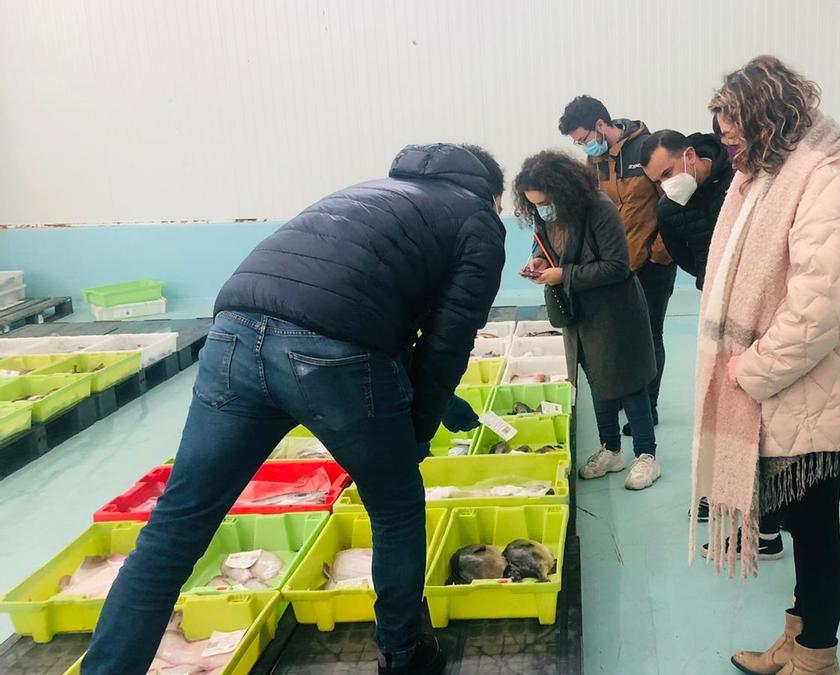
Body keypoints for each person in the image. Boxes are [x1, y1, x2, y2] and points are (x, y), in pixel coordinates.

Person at [81, 144, 509, 675]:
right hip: (332, 358)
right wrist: (415, 433)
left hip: (232, 335)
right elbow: (447, 341)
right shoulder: (479, 221)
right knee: (395, 507)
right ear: (493, 195)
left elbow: (368, 303)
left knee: (175, 528)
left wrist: (442, 404)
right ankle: (404, 655)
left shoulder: (368, 193)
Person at [690, 55, 840, 675]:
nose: (727, 144)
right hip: (787, 388)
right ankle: (795, 641)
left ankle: (816, 656)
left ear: (770, 119)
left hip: (811, 386)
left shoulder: (826, 179)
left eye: (735, 131)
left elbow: (821, 306)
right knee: (804, 529)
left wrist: (751, 370)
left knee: (818, 531)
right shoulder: (764, 178)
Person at [514, 151, 662, 490]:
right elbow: (547, 247)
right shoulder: (545, 214)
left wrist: (562, 274)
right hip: (577, 309)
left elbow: (617, 266)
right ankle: (611, 449)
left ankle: (647, 456)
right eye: (535, 204)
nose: (542, 209)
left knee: (628, 380)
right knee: (595, 376)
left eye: (546, 202)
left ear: (563, 190)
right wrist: (538, 262)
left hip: (614, 309)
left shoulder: (599, 209)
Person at [558, 96, 674, 435]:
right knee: (617, 335)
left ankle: (647, 405)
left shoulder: (645, 148)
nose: (582, 147)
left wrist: (659, 253)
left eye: (582, 139)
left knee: (650, 335)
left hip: (652, 263)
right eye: (576, 143)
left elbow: (671, 201)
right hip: (614, 266)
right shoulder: (594, 164)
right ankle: (628, 395)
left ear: (599, 125)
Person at [639, 128, 735, 290]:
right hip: (713, 290)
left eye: (668, 173)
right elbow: (682, 257)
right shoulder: (668, 210)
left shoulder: (739, 176)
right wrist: (704, 273)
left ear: (690, 156)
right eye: (658, 181)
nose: (665, 185)